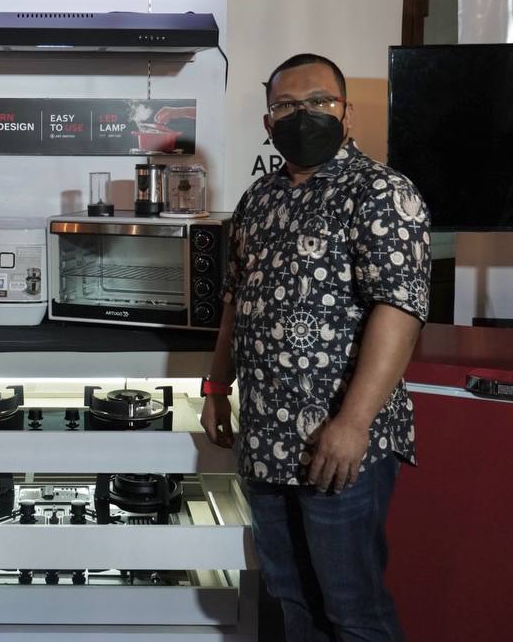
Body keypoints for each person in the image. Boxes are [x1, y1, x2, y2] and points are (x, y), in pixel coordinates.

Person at [200, 53, 431, 641]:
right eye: (286, 106)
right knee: (291, 599)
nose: (303, 115)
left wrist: (353, 423)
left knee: (352, 608)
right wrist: (216, 386)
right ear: (268, 122)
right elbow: (235, 300)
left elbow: (400, 309)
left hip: (338, 440)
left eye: (319, 102)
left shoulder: (382, 191)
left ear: (346, 113)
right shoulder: (258, 199)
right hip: (265, 436)